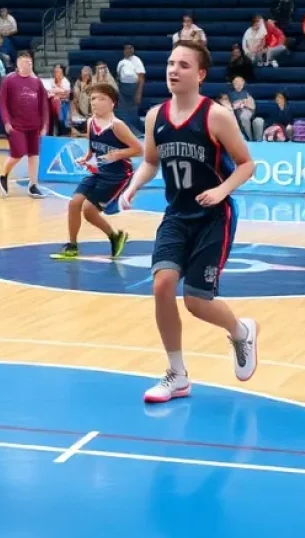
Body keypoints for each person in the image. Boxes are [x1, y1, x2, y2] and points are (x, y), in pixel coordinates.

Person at [121, 40, 259, 403]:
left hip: (215, 216)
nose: (173, 70)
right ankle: (177, 374)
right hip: (177, 214)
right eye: (170, 63)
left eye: (183, 64)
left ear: (199, 74)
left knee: (196, 301)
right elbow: (151, 161)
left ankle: (240, 330)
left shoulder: (216, 116)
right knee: (162, 286)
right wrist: (133, 186)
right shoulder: (155, 117)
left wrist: (222, 191)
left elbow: (247, 164)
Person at [51, 82, 141, 261]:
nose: (95, 102)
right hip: (100, 171)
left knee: (89, 210)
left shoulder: (117, 126)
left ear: (112, 103)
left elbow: (139, 149)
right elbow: (92, 149)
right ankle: (72, 245)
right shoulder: (91, 122)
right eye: (93, 99)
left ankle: (114, 236)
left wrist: (118, 154)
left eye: (101, 98)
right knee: (74, 203)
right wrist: (86, 158)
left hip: (118, 175)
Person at [0, 51, 48, 198]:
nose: (29, 65)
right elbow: (2, 103)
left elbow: (44, 105)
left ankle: (33, 185)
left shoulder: (37, 82)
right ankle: (3, 175)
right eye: (26, 62)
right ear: (19, 63)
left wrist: (44, 125)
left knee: (34, 155)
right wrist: (6, 122)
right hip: (16, 125)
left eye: (31, 63)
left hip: (34, 125)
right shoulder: (9, 80)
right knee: (18, 153)